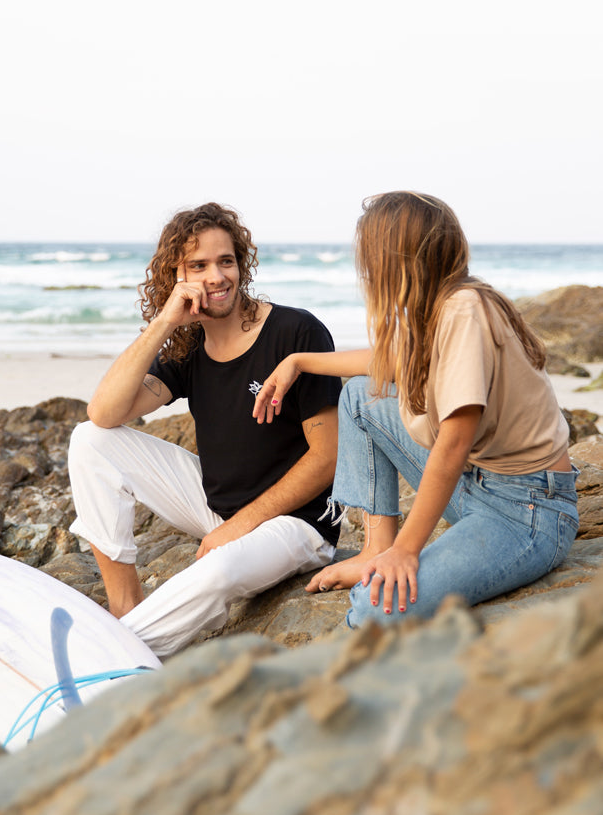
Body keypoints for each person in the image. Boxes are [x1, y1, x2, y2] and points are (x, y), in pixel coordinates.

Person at [253, 191, 578, 628]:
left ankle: (389, 555)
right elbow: (382, 363)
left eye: (370, 254)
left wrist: (408, 550)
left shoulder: (464, 309)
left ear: (396, 259)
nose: (365, 268)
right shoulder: (439, 307)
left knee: (373, 607)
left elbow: (454, 441)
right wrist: (297, 361)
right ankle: (375, 548)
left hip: (526, 511)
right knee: (359, 397)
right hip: (476, 484)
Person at [67, 202, 342, 657]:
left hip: (298, 526)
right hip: (219, 510)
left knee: (216, 571)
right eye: (199, 266)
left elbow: (327, 456)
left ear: (241, 264)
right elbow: (104, 413)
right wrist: (165, 322)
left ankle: (114, 655)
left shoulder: (296, 332)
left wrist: (240, 528)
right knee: (89, 440)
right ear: (177, 277)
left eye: (226, 261)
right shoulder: (189, 344)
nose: (216, 276)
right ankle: (124, 607)